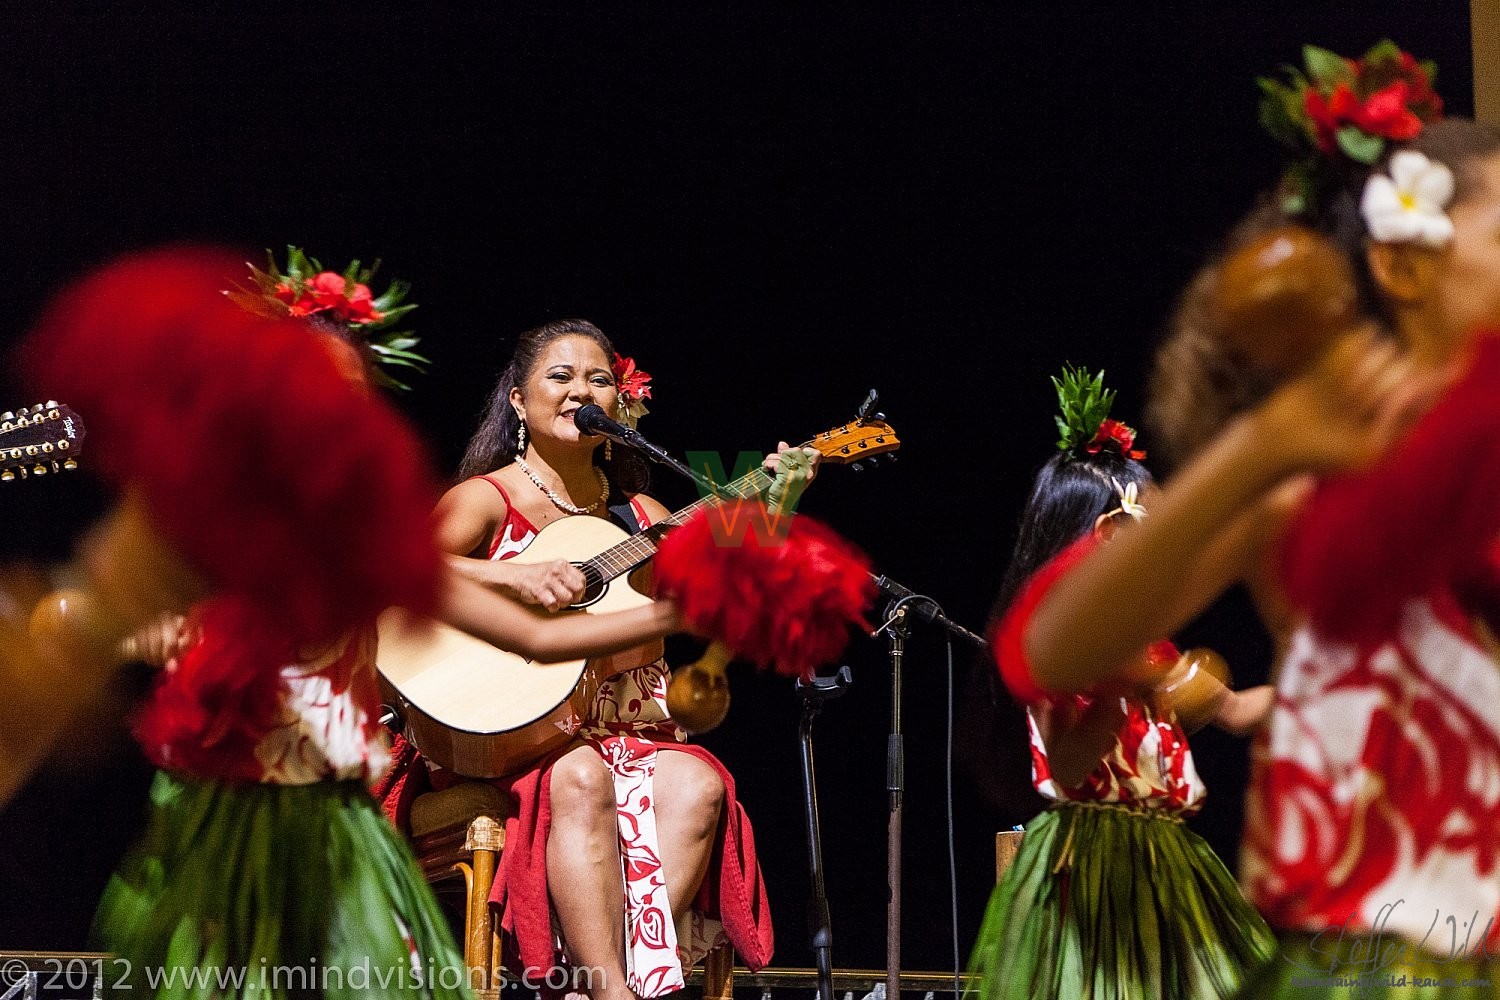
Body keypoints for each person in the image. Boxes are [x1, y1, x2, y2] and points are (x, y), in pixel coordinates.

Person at [28, 249, 691, 1000]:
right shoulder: (190, 520)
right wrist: (120, 636)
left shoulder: (364, 532)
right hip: (224, 819)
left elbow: (537, 638)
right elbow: (88, 620)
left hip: (341, 821)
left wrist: (694, 607)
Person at [1011, 42, 1500, 994]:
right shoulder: (1302, 485)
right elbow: (1051, 651)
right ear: (1405, 265)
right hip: (1386, 948)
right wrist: (1266, 443)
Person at [378, 318, 815, 1000]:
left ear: (619, 404)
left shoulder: (641, 514)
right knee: (578, 775)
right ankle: (612, 992)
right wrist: (509, 578)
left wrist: (777, 501)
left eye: (599, 380)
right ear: (519, 401)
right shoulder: (485, 499)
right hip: (493, 732)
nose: (581, 390)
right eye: (561, 376)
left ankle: (612, 983)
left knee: (699, 786)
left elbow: (725, 596)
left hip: (618, 729)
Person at [968, 367, 1275, 1000]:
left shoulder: (1154, 652)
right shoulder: (1057, 657)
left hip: (1172, 864)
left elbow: (1240, 711)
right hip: (1091, 869)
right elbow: (1071, 766)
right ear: (1102, 540)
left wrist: (1330, 683)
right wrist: (1116, 688)